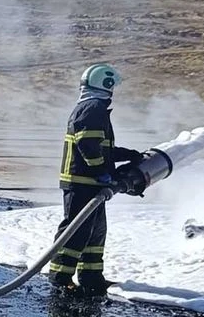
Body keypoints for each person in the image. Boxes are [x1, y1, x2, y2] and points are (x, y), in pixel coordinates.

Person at [49, 63, 143, 294]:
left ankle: (91, 277)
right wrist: (102, 171)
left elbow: (101, 148)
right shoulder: (93, 108)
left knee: (96, 231)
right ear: (106, 84)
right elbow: (87, 145)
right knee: (76, 229)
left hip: (91, 183)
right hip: (81, 182)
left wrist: (127, 155)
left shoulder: (94, 107)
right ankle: (60, 276)